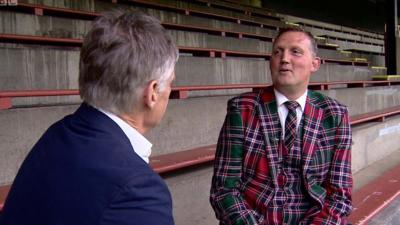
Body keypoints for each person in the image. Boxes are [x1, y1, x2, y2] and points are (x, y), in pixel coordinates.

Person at [0, 10, 178, 225]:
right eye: (171, 83)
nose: (171, 90)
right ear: (152, 92)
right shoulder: (139, 192)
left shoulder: (58, 134)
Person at [210, 27, 352, 225]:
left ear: (315, 64)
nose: (284, 58)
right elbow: (224, 190)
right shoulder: (242, 109)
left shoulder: (335, 115)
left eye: (295, 51)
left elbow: (339, 195)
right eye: (278, 52)